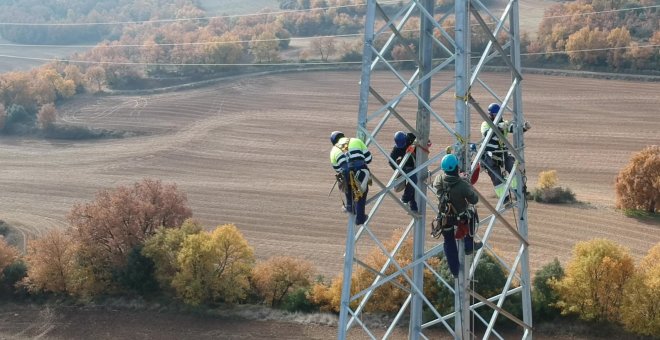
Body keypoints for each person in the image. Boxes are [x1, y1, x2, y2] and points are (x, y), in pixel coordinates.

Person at [432, 153, 481, 278]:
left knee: (448, 241)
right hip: (460, 217)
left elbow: (437, 184)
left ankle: (455, 271)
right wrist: (465, 181)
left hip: (445, 217)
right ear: (456, 167)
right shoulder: (462, 185)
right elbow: (474, 200)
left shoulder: (439, 179)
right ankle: (469, 245)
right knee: (471, 214)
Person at [480, 103, 531, 201]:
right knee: (497, 178)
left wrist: (524, 128)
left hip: (503, 154)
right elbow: (487, 134)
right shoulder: (485, 124)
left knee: (514, 169)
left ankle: (519, 191)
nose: (498, 116)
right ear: (490, 115)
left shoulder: (504, 123)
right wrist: (498, 127)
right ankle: (505, 199)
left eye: (499, 114)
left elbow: (514, 129)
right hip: (490, 157)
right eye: (495, 114)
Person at [329, 130, 372, 225]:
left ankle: (349, 206)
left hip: (346, 173)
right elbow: (369, 159)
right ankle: (360, 218)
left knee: (344, 181)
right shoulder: (356, 141)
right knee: (361, 191)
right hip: (360, 169)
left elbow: (337, 169)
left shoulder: (333, 151)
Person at [389, 131, 418, 212]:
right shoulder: (397, 148)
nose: (402, 147)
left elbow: (424, 140)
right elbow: (391, 161)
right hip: (406, 167)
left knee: (413, 184)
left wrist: (414, 146)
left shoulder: (412, 137)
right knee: (413, 181)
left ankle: (412, 205)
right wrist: (399, 171)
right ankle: (407, 201)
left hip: (418, 163)